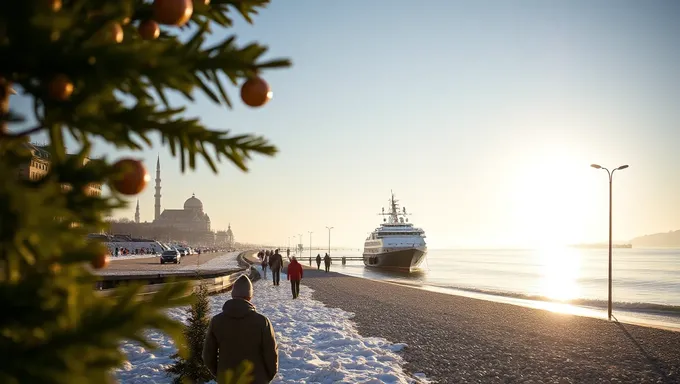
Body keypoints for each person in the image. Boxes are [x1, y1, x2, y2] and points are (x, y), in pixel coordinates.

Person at [203, 275, 278, 383]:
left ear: (233, 294)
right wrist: (266, 377)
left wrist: (220, 373)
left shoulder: (217, 321)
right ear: (249, 296)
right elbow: (271, 355)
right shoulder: (262, 322)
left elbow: (208, 355)